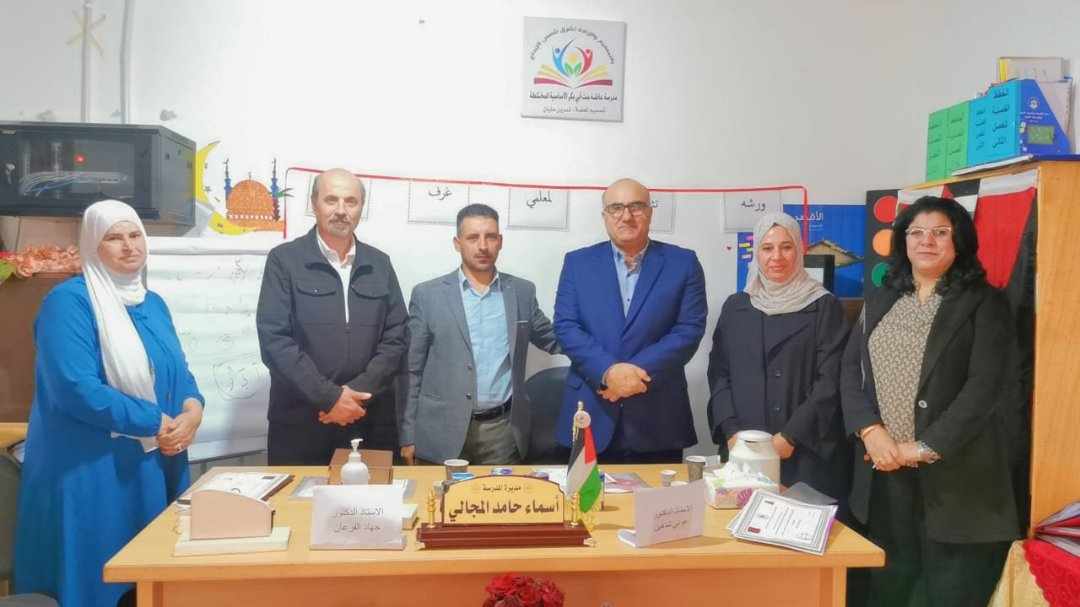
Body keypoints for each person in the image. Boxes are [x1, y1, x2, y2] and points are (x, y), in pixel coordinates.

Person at [14, 200, 204, 607]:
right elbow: (75, 388)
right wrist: (155, 421)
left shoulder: (153, 303)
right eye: (113, 238)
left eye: (135, 235)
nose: (129, 246)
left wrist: (193, 410)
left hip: (152, 464)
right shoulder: (69, 302)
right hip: (92, 471)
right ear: (91, 246)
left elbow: (177, 370)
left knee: (149, 585)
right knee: (95, 582)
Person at [841, 196, 1020, 607]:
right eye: (917, 232)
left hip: (957, 480)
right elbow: (850, 372)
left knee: (947, 593)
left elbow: (984, 389)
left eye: (940, 233)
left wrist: (922, 448)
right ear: (903, 241)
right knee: (889, 588)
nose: (927, 241)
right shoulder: (883, 299)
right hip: (885, 474)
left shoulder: (985, 302)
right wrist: (870, 431)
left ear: (960, 241)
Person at [256, 168, 407, 464]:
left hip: (369, 418)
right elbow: (275, 341)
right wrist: (330, 398)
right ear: (314, 204)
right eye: (331, 200)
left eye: (350, 201)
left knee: (374, 495)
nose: (341, 210)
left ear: (361, 207)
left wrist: (356, 394)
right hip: (302, 421)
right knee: (300, 496)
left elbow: (397, 337)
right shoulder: (284, 260)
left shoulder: (380, 264)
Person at [553, 178, 707, 463]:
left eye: (636, 206)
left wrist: (633, 375)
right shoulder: (577, 263)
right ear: (604, 215)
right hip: (592, 408)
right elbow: (566, 326)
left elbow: (689, 330)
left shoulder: (683, 263)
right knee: (587, 494)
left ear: (650, 212)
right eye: (616, 208)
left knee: (659, 494)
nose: (626, 216)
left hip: (659, 416)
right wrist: (608, 372)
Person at [707, 212, 850, 503]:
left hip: (804, 450)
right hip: (743, 450)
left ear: (799, 250)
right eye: (767, 248)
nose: (776, 257)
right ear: (756, 253)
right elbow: (719, 373)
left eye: (786, 247)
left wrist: (791, 436)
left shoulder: (824, 306)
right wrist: (731, 432)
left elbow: (830, 380)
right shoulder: (736, 307)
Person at [401, 204, 560, 465]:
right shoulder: (427, 295)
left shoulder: (521, 292)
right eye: (473, 237)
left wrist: (606, 361)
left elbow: (553, 339)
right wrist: (408, 435)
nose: (483, 246)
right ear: (457, 243)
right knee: (440, 493)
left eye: (491, 237)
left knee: (501, 493)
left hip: (502, 433)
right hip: (440, 430)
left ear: (500, 242)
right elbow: (412, 370)